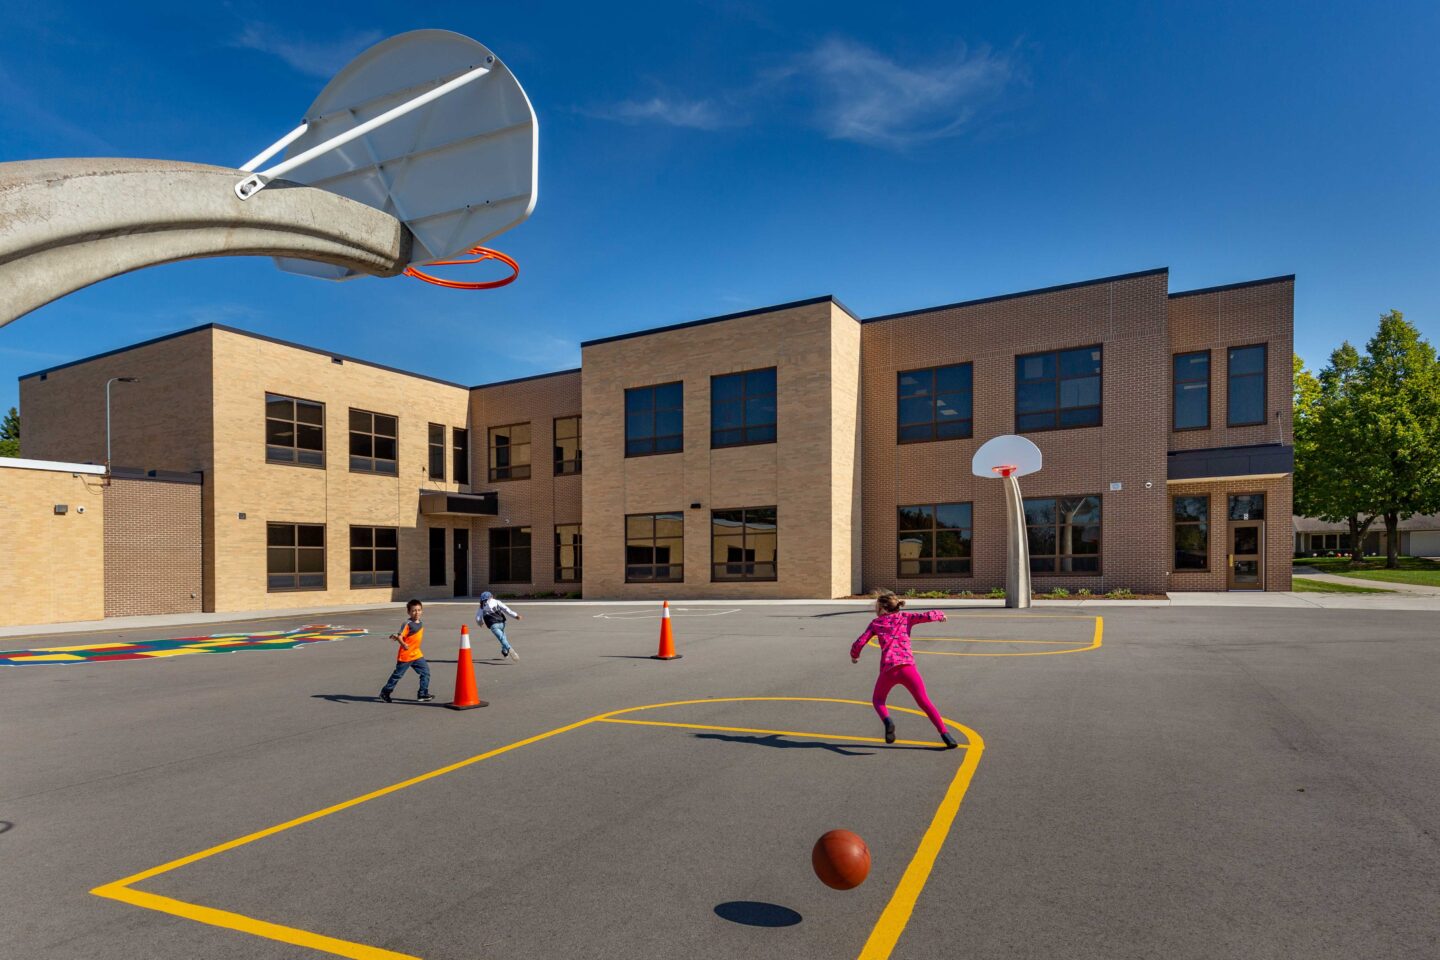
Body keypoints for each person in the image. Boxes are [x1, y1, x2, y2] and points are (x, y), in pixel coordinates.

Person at [851, 590, 958, 748]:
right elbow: (927, 615)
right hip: (908, 668)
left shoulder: (876, 623)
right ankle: (946, 734)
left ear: (882, 608)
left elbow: (860, 641)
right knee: (924, 701)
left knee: (878, 700)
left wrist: (855, 655)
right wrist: (940, 615)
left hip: (889, 670)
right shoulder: (906, 618)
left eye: (876, 606)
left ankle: (888, 721)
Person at [380, 599, 433, 703]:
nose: (417, 612)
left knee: (426, 673)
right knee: (397, 675)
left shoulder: (420, 623)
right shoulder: (407, 623)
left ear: (422, 611)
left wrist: (397, 637)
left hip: (417, 654)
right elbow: (401, 636)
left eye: (419, 610)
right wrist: (403, 644)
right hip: (406, 655)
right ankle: (385, 692)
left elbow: (402, 636)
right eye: (414, 610)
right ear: (409, 612)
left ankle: (422, 694)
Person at [476, 590, 522, 661]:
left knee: (502, 638)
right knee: (503, 637)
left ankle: (509, 649)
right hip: (502, 623)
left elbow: (478, 617)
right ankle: (505, 651)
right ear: (491, 596)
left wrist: (480, 623)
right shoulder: (497, 602)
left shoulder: (482, 606)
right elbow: (506, 610)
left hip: (493, 625)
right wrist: (516, 616)